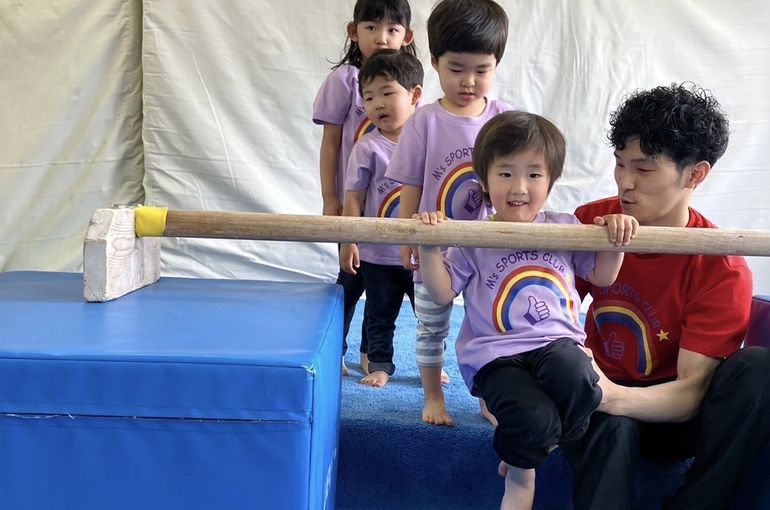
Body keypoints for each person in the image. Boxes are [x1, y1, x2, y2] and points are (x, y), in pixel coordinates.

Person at [562, 82, 770, 510]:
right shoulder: (591, 223)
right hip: (600, 402)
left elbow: (690, 395)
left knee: (757, 368)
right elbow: (540, 312)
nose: (625, 183)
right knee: (613, 424)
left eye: (643, 169)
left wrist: (613, 396)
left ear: (695, 174)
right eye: (620, 164)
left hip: (673, 416)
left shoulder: (722, 267)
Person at [417, 111, 639, 509]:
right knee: (533, 420)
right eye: (505, 173)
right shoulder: (474, 235)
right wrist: (429, 245)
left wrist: (616, 239)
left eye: (534, 174)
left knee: (579, 380)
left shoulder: (564, 227)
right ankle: (521, 468)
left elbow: (602, 277)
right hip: (496, 356)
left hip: (556, 344)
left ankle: (523, 444)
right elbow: (442, 292)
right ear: (484, 180)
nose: (519, 187)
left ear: (550, 181)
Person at [384, 0, 512, 427]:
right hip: (433, 246)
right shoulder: (425, 121)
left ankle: (488, 396)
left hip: (484, 247)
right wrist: (407, 237)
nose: (468, 81)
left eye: (482, 70)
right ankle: (433, 395)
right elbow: (411, 184)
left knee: (489, 324)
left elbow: (514, 188)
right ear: (435, 62)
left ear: (496, 65)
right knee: (431, 326)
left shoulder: (503, 120)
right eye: (456, 68)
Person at [313, 0, 416, 376]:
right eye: (371, 27)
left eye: (392, 29)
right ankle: (333, 348)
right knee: (351, 277)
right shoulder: (345, 80)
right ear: (353, 32)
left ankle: (370, 352)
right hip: (353, 202)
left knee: (384, 282)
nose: (382, 38)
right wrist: (331, 198)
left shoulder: (404, 84)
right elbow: (330, 143)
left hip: (391, 207)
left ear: (407, 37)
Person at [339, 49, 423, 387]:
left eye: (388, 93)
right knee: (379, 313)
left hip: (420, 253)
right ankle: (379, 364)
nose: (378, 104)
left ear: (415, 95)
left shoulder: (427, 143)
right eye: (369, 97)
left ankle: (431, 366)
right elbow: (354, 198)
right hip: (378, 254)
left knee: (429, 315)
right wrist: (349, 241)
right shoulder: (367, 148)